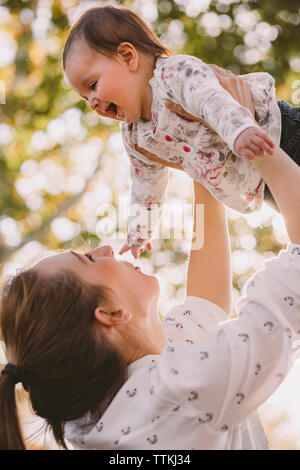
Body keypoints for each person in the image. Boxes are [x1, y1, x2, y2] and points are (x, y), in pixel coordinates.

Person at [0, 126, 300, 449]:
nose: (106, 250)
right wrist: (245, 130)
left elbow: (204, 305)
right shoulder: (181, 392)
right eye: (88, 260)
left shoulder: (97, 412)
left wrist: (203, 171)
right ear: (111, 313)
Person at [62, 5, 300, 258]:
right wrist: (140, 231)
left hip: (280, 133)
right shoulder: (135, 137)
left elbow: (213, 101)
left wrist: (241, 131)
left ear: (127, 57)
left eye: (93, 85)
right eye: (84, 98)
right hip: (262, 186)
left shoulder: (173, 76)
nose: (92, 102)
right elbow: (145, 184)